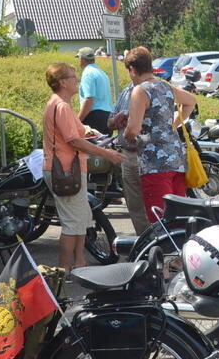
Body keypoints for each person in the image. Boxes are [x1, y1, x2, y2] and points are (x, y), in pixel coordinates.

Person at [42, 63, 123, 271]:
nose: (76, 80)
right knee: (72, 222)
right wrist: (107, 153)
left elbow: (77, 132)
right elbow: (73, 140)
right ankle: (64, 269)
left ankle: (79, 262)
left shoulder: (59, 104)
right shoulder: (62, 106)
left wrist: (90, 131)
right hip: (66, 171)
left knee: (80, 219)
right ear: (62, 82)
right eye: (72, 77)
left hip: (70, 169)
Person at [123, 47, 197, 223]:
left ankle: (166, 250)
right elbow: (191, 102)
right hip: (176, 160)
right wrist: (171, 126)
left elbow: (133, 129)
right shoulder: (165, 85)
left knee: (160, 220)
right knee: (179, 216)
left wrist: (126, 136)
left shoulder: (140, 90)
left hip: (154, 163)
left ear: (133, 69)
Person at [107, 81, 149, 235]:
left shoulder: (156, 89)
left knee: (155, 202)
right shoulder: (125, 92)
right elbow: (110, 122)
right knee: (135, 204)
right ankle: (144, 240)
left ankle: (163, 243)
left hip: (151, 156)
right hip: (128, 154)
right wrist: (115, 120)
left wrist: (132, 120)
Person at [75, 47, 113, 135]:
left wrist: (77, 121)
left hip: (94, 116)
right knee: (104, 146)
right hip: (107, 116)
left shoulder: (87, 73)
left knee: (90, 147)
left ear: (82, 60)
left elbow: (89, 99)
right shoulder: (102, 73)